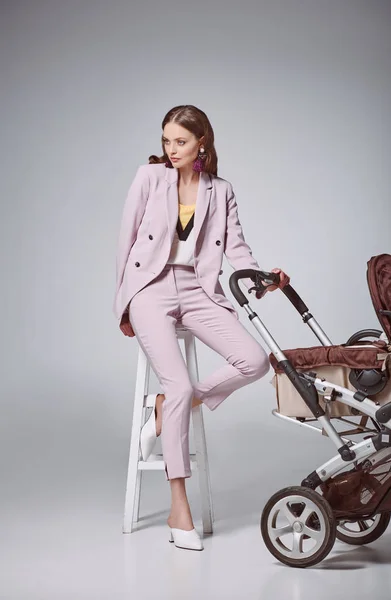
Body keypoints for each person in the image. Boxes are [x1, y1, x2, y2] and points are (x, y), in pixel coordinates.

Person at [114, 105, 290, 551]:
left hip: (199, 291)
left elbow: (237, 246)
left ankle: (171, 403)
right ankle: (179, 507)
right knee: (176, 383)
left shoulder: (221, 190)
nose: (171, 150)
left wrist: (259, 277)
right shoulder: (148, 178)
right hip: (150, 290)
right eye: (166, 141)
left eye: (181, 142)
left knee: (254, 361)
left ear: (202, 143)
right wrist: (126, 302)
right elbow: (125, 239)